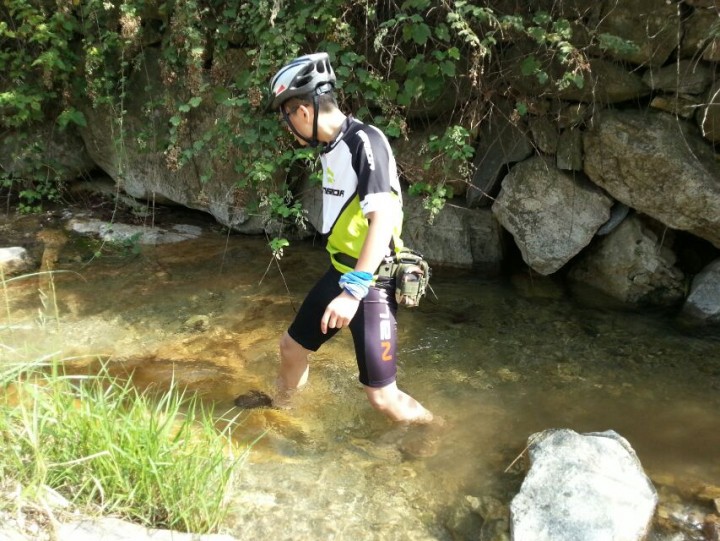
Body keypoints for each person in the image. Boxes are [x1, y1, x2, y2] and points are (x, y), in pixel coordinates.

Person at [235, 52, 434, 425]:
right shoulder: (332, 147)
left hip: (371, 280)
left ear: (302, 112)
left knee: (382, 397)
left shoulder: (365, 142)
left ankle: (438, 429)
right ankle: (282, 414)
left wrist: (354, 291)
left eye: (285, 117)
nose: (286, 128)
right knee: (292, 347)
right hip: (342, 273)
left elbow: (383, 219)